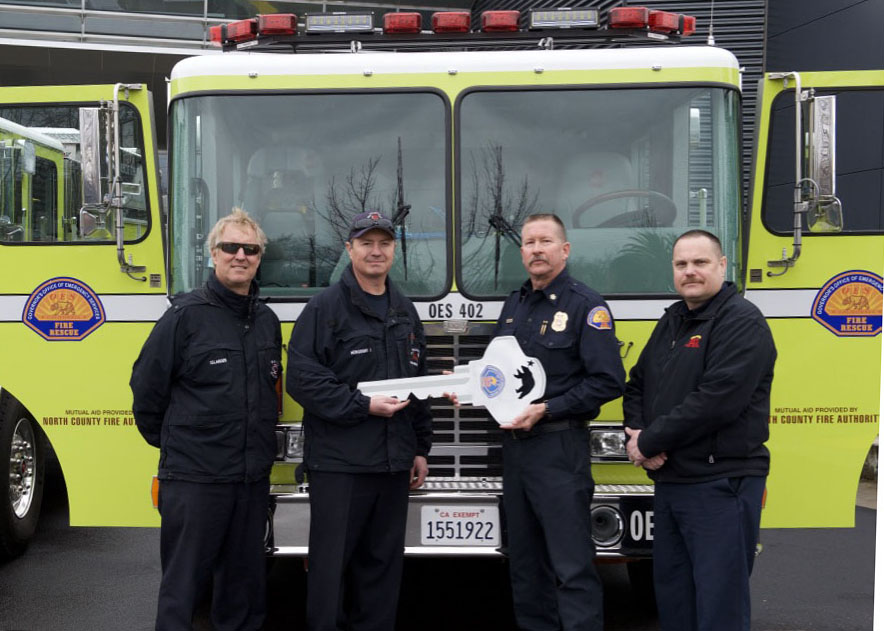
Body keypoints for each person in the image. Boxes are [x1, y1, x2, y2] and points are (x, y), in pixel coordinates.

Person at [130, 210, 281, 631]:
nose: (240, 255)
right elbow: (146, 389)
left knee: (243, 591)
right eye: (230, 247)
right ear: (212, 254)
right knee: (183, 591)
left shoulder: (267, 322)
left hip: (250, 483)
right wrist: (180, 447)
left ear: (258, 258)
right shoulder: (184, 317)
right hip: (195, 480)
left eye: (249, 249)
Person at [623, 229, 776, 631]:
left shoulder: (742, 322)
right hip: (672, 482)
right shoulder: (673, 320)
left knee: (718, 605)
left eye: (700, 262)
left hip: (720, 484)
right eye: (681, 264)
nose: (690, 272)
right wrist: (638, 434)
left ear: (722, 266)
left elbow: (716, 401)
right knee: (675, 600)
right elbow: (637, 383)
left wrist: (651, 441)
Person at [286, 210, 432, 631]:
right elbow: (303, 379)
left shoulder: (404, 310)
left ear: (393, 250)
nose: (375, 251)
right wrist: (361, 405)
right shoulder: (324, 309)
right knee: (331, 572)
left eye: (384, 243)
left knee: (382, 571)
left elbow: (416, 382)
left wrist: (421, 448)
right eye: (366, 243)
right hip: (340, 466)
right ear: (349, 249)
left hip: (392, 466)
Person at [490, 213, 625, 631]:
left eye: (545, 241)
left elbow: (608, 382)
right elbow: (501, 375)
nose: (536, 249)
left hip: (559, 449)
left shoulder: (587, 306)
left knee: (572, 567)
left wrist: (548, 408)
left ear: (564, 250)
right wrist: (467, 387)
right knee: (525, 567)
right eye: (529, 243)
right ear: (522, 252)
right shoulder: (514, 306)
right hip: (517, 453)